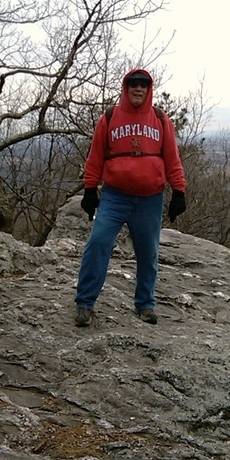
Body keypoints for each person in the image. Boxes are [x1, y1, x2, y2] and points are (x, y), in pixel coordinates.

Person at [75, 68, 187, 327]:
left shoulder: (160, 119)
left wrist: (179, 191)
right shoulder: (110, 117)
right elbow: (95, 157)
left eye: (144, 85)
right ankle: (85, 303)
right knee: (98, 243)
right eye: (134, 84)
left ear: (149, 89)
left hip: (150, 199)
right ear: (126, 87)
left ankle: (145, 304)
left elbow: (172, 159)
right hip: (115, 197)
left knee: (148, 253)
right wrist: (90, 190)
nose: (139, 89)